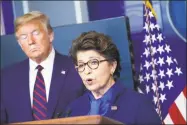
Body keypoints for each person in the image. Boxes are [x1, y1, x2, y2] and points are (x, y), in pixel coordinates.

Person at [0, 11, 84, 123]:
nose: (31, 41)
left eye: (35, 33)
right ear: (20, 43)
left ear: (50, 35)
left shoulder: (76, 68)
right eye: (23, 37)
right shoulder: (6, 77)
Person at [61, 31, 161, 124]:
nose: (87, 71)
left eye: (94, 62)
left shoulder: (138, 104)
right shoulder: (73, 109)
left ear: (112, 66)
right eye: (81, 65)